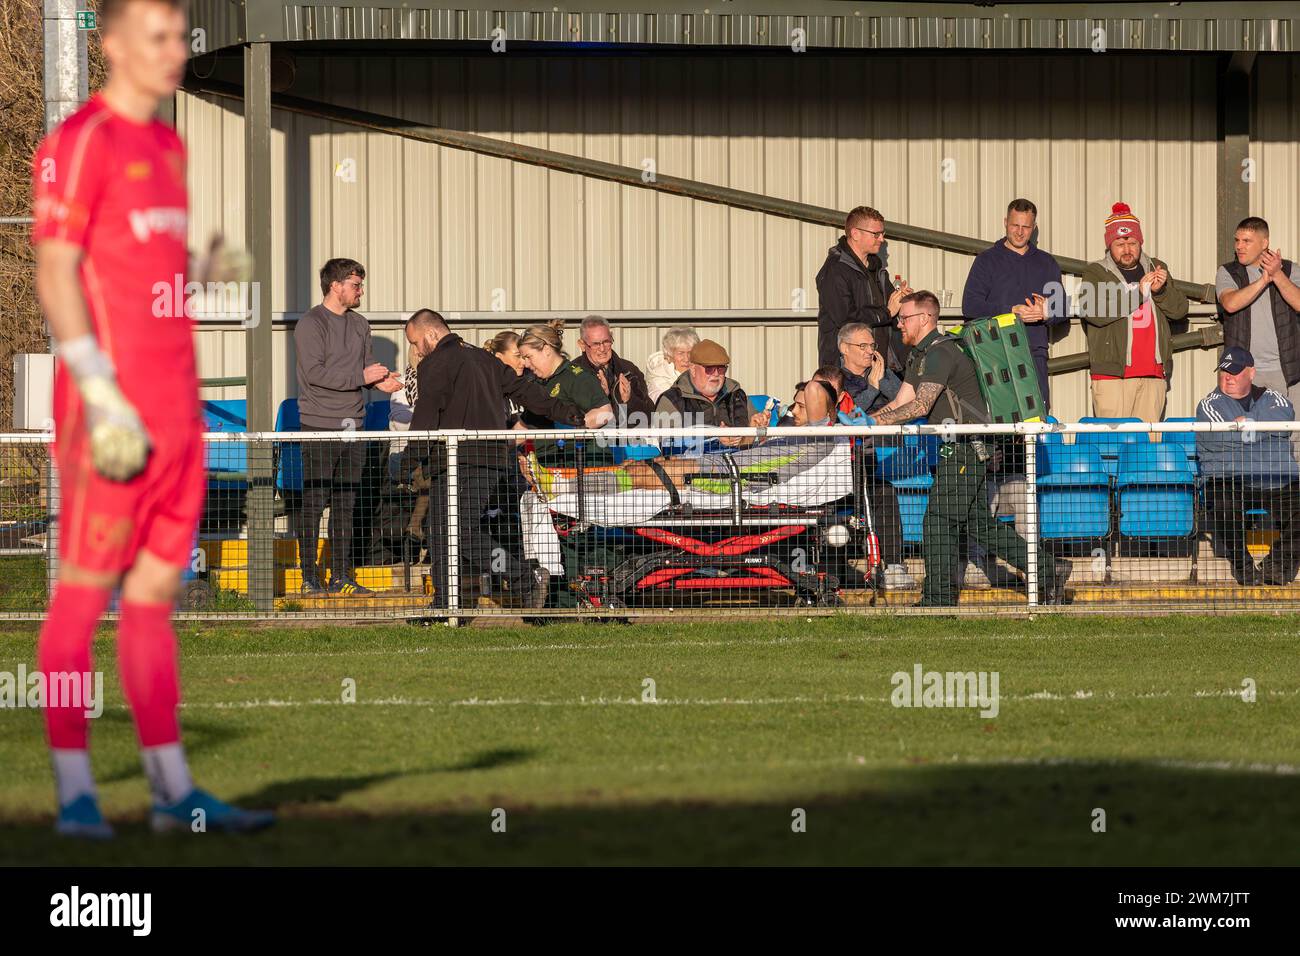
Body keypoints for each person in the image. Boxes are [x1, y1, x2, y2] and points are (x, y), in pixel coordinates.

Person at [31, 0, 272, 837]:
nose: (178, 50)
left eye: (180, 35)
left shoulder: (169, 144)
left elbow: (141, 277)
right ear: (112, 44)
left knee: (153, 601)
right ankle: (75, 797)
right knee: (78, 604)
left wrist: (209, 270)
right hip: (112, 418)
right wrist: (97, 391)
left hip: (178, 415)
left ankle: (173, 795)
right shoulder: (79, 142)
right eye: (161, 36)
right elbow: (56, 271)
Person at [864, 292, 1070, 607]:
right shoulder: (919, 356)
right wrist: (860, 421)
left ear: (925, 319)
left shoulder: (940, 353)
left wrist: (875, 425)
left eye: (904, 318)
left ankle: (937, 600)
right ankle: (1047, 569)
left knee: (936, 521)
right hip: (955, 450)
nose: (898, 323)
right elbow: (899, 402)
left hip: (965, 449)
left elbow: (920, 405)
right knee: (978, 524)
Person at [405, 312, 605, 610]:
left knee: (460, 532)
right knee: (443, 534)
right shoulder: (486, 361)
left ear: (432, 335)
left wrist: (409, 459)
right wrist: (571, 415)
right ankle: (444, 604)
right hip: (488, 458)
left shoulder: (435, 363)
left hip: (458, 460)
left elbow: (426, 413)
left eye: (417, 342)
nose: (417, 350)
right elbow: (529, 394)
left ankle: (523, 577)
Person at [293, 258, 402, 596]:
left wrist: (380, 382)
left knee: (347, 502)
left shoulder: (359, 325)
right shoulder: (311, 324)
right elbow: (315, 373)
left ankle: (341, 575)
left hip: (355, 425)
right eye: (356, 284)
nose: (361, 291)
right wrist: (362, 378)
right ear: (335, 285)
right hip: (319, 425)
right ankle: (309, 576)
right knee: (314, 501)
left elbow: (365, 369)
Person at [1196, 347, 1300, 586]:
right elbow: (1221, 441)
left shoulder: (1275, 398)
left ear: (1251, 373)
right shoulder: (1209, 405)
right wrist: (1266, 432)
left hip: (1277, 479)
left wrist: (1248, 426)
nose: (1227, 377)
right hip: (1232, 480)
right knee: (1221, 502)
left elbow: (1284, 419)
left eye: (1234, 371)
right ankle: (1242, 565)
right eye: (1224, 371)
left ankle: (1276, 564)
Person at [1079, 202, 1189, 421]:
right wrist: (1139, 293)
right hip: (1112, 376)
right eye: (1120, 243)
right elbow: (1092, 311)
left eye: (1132, 242)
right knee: (1113, 449)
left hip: (1153, 374)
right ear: (1109, 245)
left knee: (1146, 450)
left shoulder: (1156, 267)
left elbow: (1179, 310)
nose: (1127, 249)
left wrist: (1160, 292)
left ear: (1140, 242)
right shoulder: (1097, 272)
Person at [960, 198, 1066, 408]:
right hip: (995, 353)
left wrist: (1045, 312)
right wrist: (1010, 312)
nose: (1019, 232)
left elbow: (1062, 308)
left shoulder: (1046, 263)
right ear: (1005, 222)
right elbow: (970, 306)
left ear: (1033, 228)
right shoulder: (986, 260)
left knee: (1036, 416)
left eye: (1025, 227)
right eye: (1014, 225)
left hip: (1033, 354)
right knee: (1000, 418)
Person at [1216, 217, 1300, 424]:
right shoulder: (1228, 272)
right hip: (1244, 373)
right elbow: (1230, 303)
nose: (1239, 247)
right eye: (1237, 241)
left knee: (1293, 440)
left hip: (1287, 373)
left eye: (1246, 241)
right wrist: (1264, 280)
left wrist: (1277, 275)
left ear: (1264, 243)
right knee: (1247, 438)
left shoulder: (1290, 269)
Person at [815, 206, 912, 371]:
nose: (881, 239)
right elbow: (845, 319)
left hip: (881, 364)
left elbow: (892, 308)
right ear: (855, 234)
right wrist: (886, 312)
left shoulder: (877, 269)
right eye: (876, 234)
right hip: (848, 368)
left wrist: (903, 299)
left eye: (882, 234)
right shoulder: (835, 270)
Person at [654, 340, 768, 448]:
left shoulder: (737, 396)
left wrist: (754, 430)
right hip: (694, 467)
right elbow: (667, 447)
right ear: (693, 369)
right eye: (709, 369)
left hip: (738, 466)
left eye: (721, 368)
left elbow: (750, 448)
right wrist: (714, 440)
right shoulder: (671, 400)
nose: (716, 374)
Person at [386, 341, 429, 558]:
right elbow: (402, 421)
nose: (420, 354)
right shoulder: (401, 384)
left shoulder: (439, 382)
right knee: (430, 477)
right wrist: (429, 415)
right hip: (403, 458)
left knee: (434, 474)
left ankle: (417, 527)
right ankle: (416, 527)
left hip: (428, 455)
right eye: (416, 351)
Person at [574, 315, 654, 424]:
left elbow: (649, 415)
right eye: (596, 344)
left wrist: (629, 400)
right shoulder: (572, 374)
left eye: (606, 341)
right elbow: (571, 419)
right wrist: (601, 399)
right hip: (591, 440)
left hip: (628, 439)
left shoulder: (629, 371)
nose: (602, 349)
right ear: (582, 345)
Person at [837, 322, 902, 415]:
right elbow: (846, 415)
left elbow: (907, 402)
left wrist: (882, 380)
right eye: (863, 346)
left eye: (872, 345)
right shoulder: (836, 379)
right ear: (844, 348)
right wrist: (872, 389)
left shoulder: (884, 372)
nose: (871, 351)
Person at [645, 327, 700, 402]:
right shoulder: (658, 383)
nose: (686, 359)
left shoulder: (703, 375)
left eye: (690, 353)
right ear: (669, 355)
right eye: (681, 353)